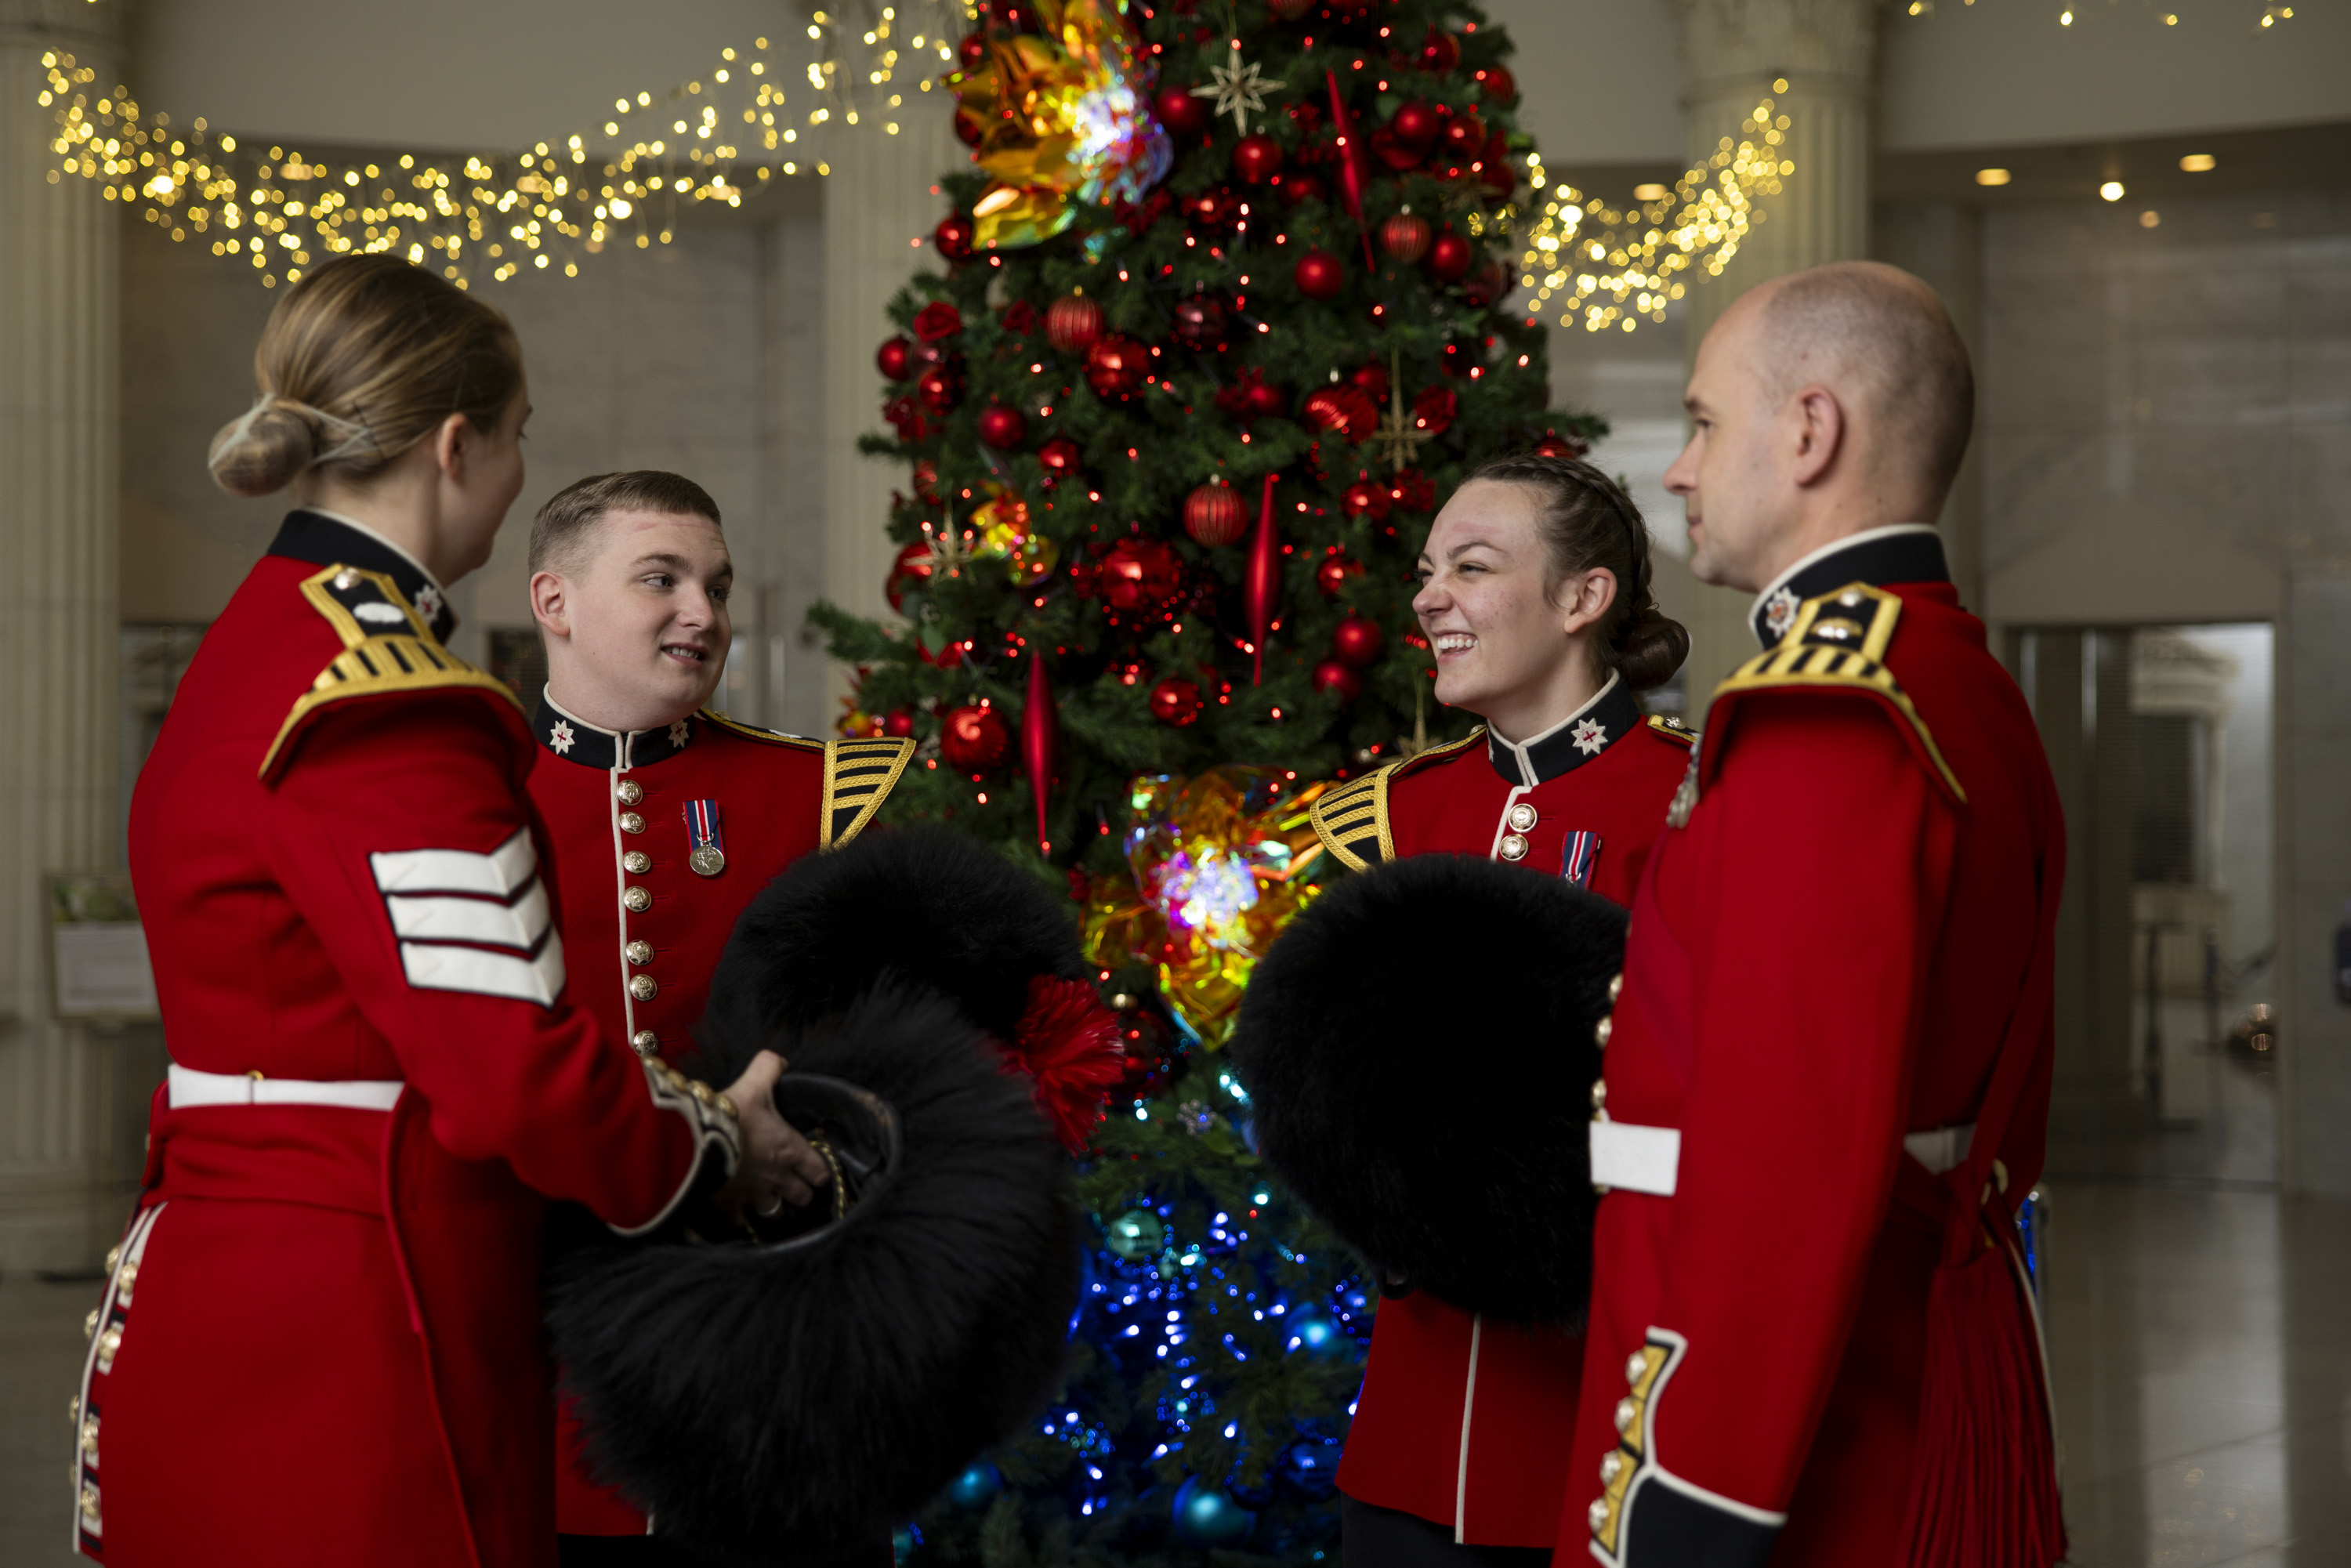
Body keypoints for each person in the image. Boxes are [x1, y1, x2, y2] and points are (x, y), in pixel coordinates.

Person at [82, 255, 823, 1568]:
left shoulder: (261, 638)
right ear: (458, 442)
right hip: (363, 1325)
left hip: (227, 1285)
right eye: (521, 436)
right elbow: (515, 1084)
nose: (521, 471)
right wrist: (718, 1150)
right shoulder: (388, 696)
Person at [1563, 261, 2067, 1568]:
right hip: (1890, 1358)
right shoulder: (1948, 671)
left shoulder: (1827, 710)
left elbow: (1787, 1136)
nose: (1675, 469)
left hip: (1800, 1429)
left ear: (1809, 431)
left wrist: (1698, 1486)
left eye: (1704, 422)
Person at [1307, 454, 1694, 1568]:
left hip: (1602, 1423)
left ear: (1583, 600)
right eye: (1428, 569)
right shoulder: (1395, 812)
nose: (1428, 595)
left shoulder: (1690, 801)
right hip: (1408, 1442)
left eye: (1471, 568)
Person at [519, 469, 912, 1560]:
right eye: (663, 578)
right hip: (539, 1351)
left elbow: (900, 1044)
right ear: (554, 602)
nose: (705, 611)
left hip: (773, 1344)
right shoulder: (471, 792)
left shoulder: (818, 795)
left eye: (718, 584)